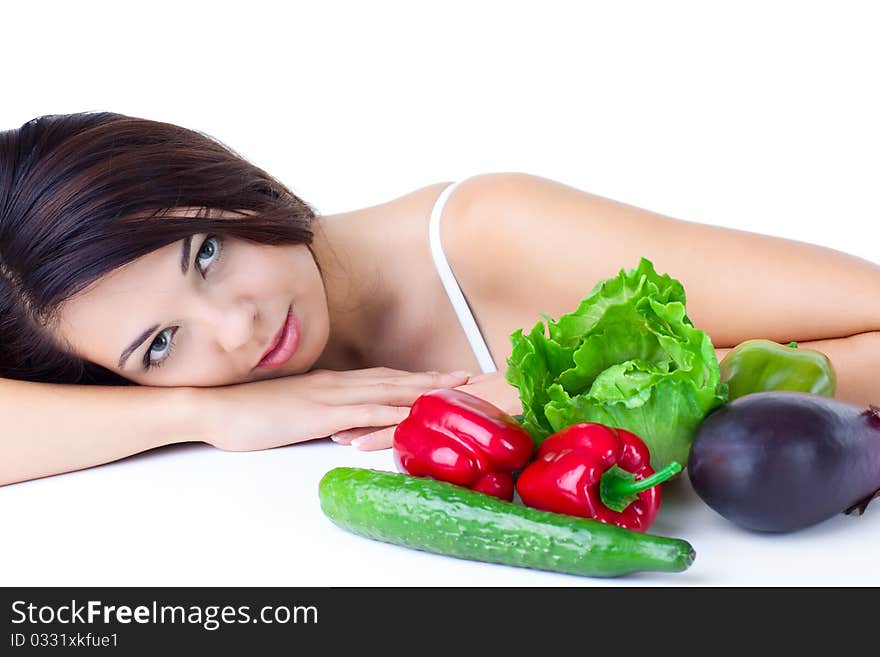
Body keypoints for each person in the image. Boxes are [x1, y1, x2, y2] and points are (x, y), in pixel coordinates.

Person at [2, 112, 878, 488]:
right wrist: (208, 414)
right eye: (159, 344)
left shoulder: (492, 232)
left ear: (220, 179)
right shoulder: (207, 390)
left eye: (206, 253)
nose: (238, 325)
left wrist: (579, 400)